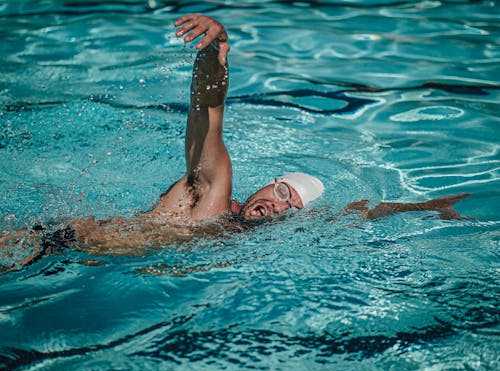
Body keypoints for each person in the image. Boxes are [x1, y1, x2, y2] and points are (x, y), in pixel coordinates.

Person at [0, 14, 471, 270]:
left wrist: (423, 209)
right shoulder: (213, 192)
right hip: (43, 247)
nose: (280, 206)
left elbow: (351, 215)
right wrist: (216, 48)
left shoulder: (242, 232)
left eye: (293, 208)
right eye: (282, 192)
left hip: (73, 268)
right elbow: (208, 118)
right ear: (268, 185)